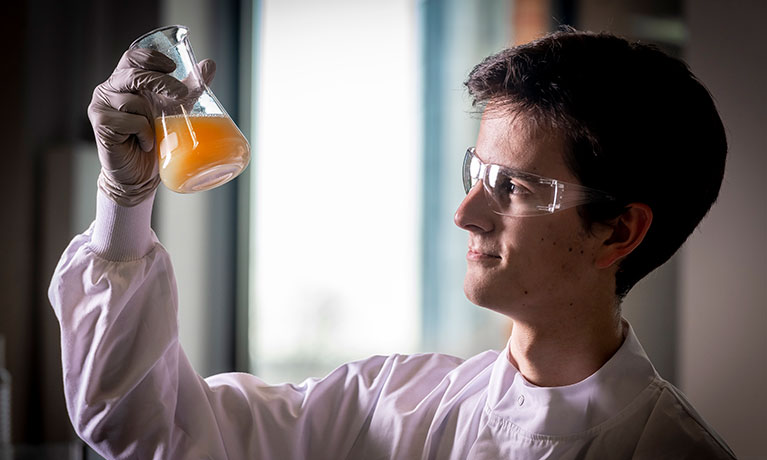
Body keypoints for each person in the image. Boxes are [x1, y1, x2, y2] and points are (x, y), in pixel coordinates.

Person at [49, 28, 735, 459]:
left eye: (515, 188)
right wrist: (124, 199)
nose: (466, 212)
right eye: (476, 173)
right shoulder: (395, 407)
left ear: (618, 231)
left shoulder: (671, 449)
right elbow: (149, 431)